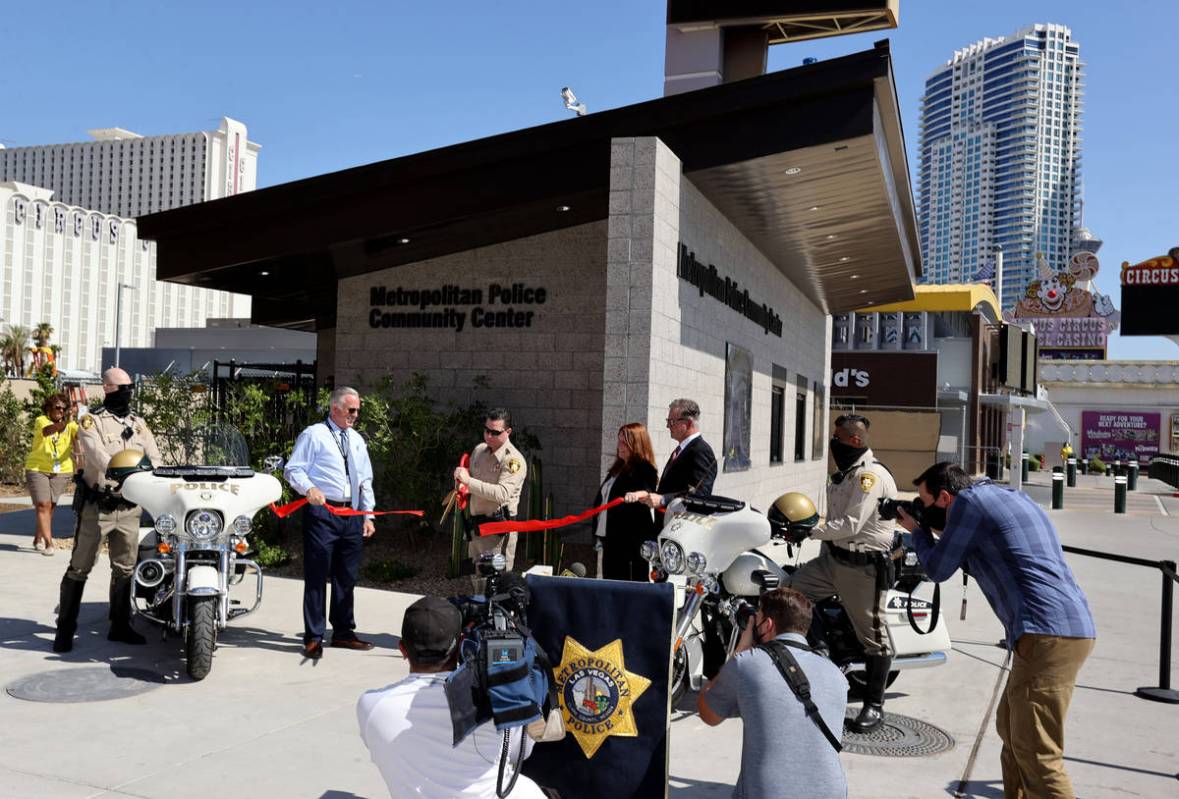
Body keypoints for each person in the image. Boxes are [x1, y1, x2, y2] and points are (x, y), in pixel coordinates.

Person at [898, 462, 1096, 799]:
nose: (923, 509)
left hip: (1045, 633)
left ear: (945, 498)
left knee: (1038, 752)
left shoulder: (967, 504)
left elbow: (937, 568)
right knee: (1011, 728)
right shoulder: (1008, 495)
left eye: (925, 502)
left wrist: (916, 531)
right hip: (1060, 629)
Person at [357, 596, 547, 799]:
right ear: (461, 647)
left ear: (402, 649)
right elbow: (520, 753)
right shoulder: (496, 700)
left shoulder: (370, 706)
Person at [778, 413, 898, 733]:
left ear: (855, 441)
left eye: (838, 438)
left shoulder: (868, 477)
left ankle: (874, 705)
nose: (833, 444)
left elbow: (850, 525)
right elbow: (834, 520)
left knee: (875, 637)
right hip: (832, 561)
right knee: (789, 592)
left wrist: (811, 531)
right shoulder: (844, 474)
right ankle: (819, 654)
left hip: (862, 567)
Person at [697, 587, 848, 799]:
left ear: (767, 625)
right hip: (832, 792)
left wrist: (739, 651)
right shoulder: (836, 675)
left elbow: (707, 713)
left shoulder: (746, 663)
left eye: (756, 619)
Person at [53, 368, 161, 653]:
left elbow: (155, 456)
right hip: (97, 507)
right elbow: (98, 455)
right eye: (122, 387)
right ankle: (64, 629)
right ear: (108, 388)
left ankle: (120, 625)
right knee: (80, 566)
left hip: (129, 508)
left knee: (125, 568)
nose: (127, 392)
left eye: (130, 387)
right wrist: (126, 472)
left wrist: (151, 475)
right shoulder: (92, 421)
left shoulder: (139, 424)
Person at [285, 386, 377, 660]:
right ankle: (314, 637)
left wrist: (368, 514)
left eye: (358, 410)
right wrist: (308, 488)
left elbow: (365, 480)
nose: (356, 415)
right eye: (351, 410)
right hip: (323, 513)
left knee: (346, 577)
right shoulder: (314, 435)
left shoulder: (357, 439)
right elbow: (293, 469)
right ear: (335, 408)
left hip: (351, 515)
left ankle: (343, 633)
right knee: (317, 576)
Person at [453, 408, 527, 576]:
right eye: (487, 430)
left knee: (495, 582)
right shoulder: (479, 451)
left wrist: (468, 481)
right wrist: (460, 480)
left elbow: (502, 494)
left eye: (495, 432)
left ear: (508, 432)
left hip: (497, 534)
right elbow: (466, 482)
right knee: (476, 581)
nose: (489, 436)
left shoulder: (513, 460)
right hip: (475, 529)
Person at [594, 423, 658, 580]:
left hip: (629, 543)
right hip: (610, 539)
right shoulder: (618, 467)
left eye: (624, 442)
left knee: (627, 587)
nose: (619, 445)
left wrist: (637, 495)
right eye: (619, 441)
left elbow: (649, 490)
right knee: (610, 583)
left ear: (636, 444)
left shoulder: (645, 467)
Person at [626, 398, 717, 510]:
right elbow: (669, 488)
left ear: (688, 423)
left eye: (672, 422)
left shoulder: (701, 451)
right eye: (667, 421)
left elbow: (700, 493)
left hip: (680, 523)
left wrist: (663, 499)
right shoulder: (681, 450)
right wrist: (646, 494)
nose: (668, 426)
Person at [25, 393, 80, 555]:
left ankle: (38, 538)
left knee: (51, 507)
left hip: (61, 470)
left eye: (64, 409)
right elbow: (48, 431)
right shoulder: (41, 420)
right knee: (43, 505)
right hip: (38, 468)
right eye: (57, 407)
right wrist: (67, 422)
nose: (61, 411)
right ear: (49, 408)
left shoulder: (70, 425)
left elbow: (81, 436)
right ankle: (49, 543)